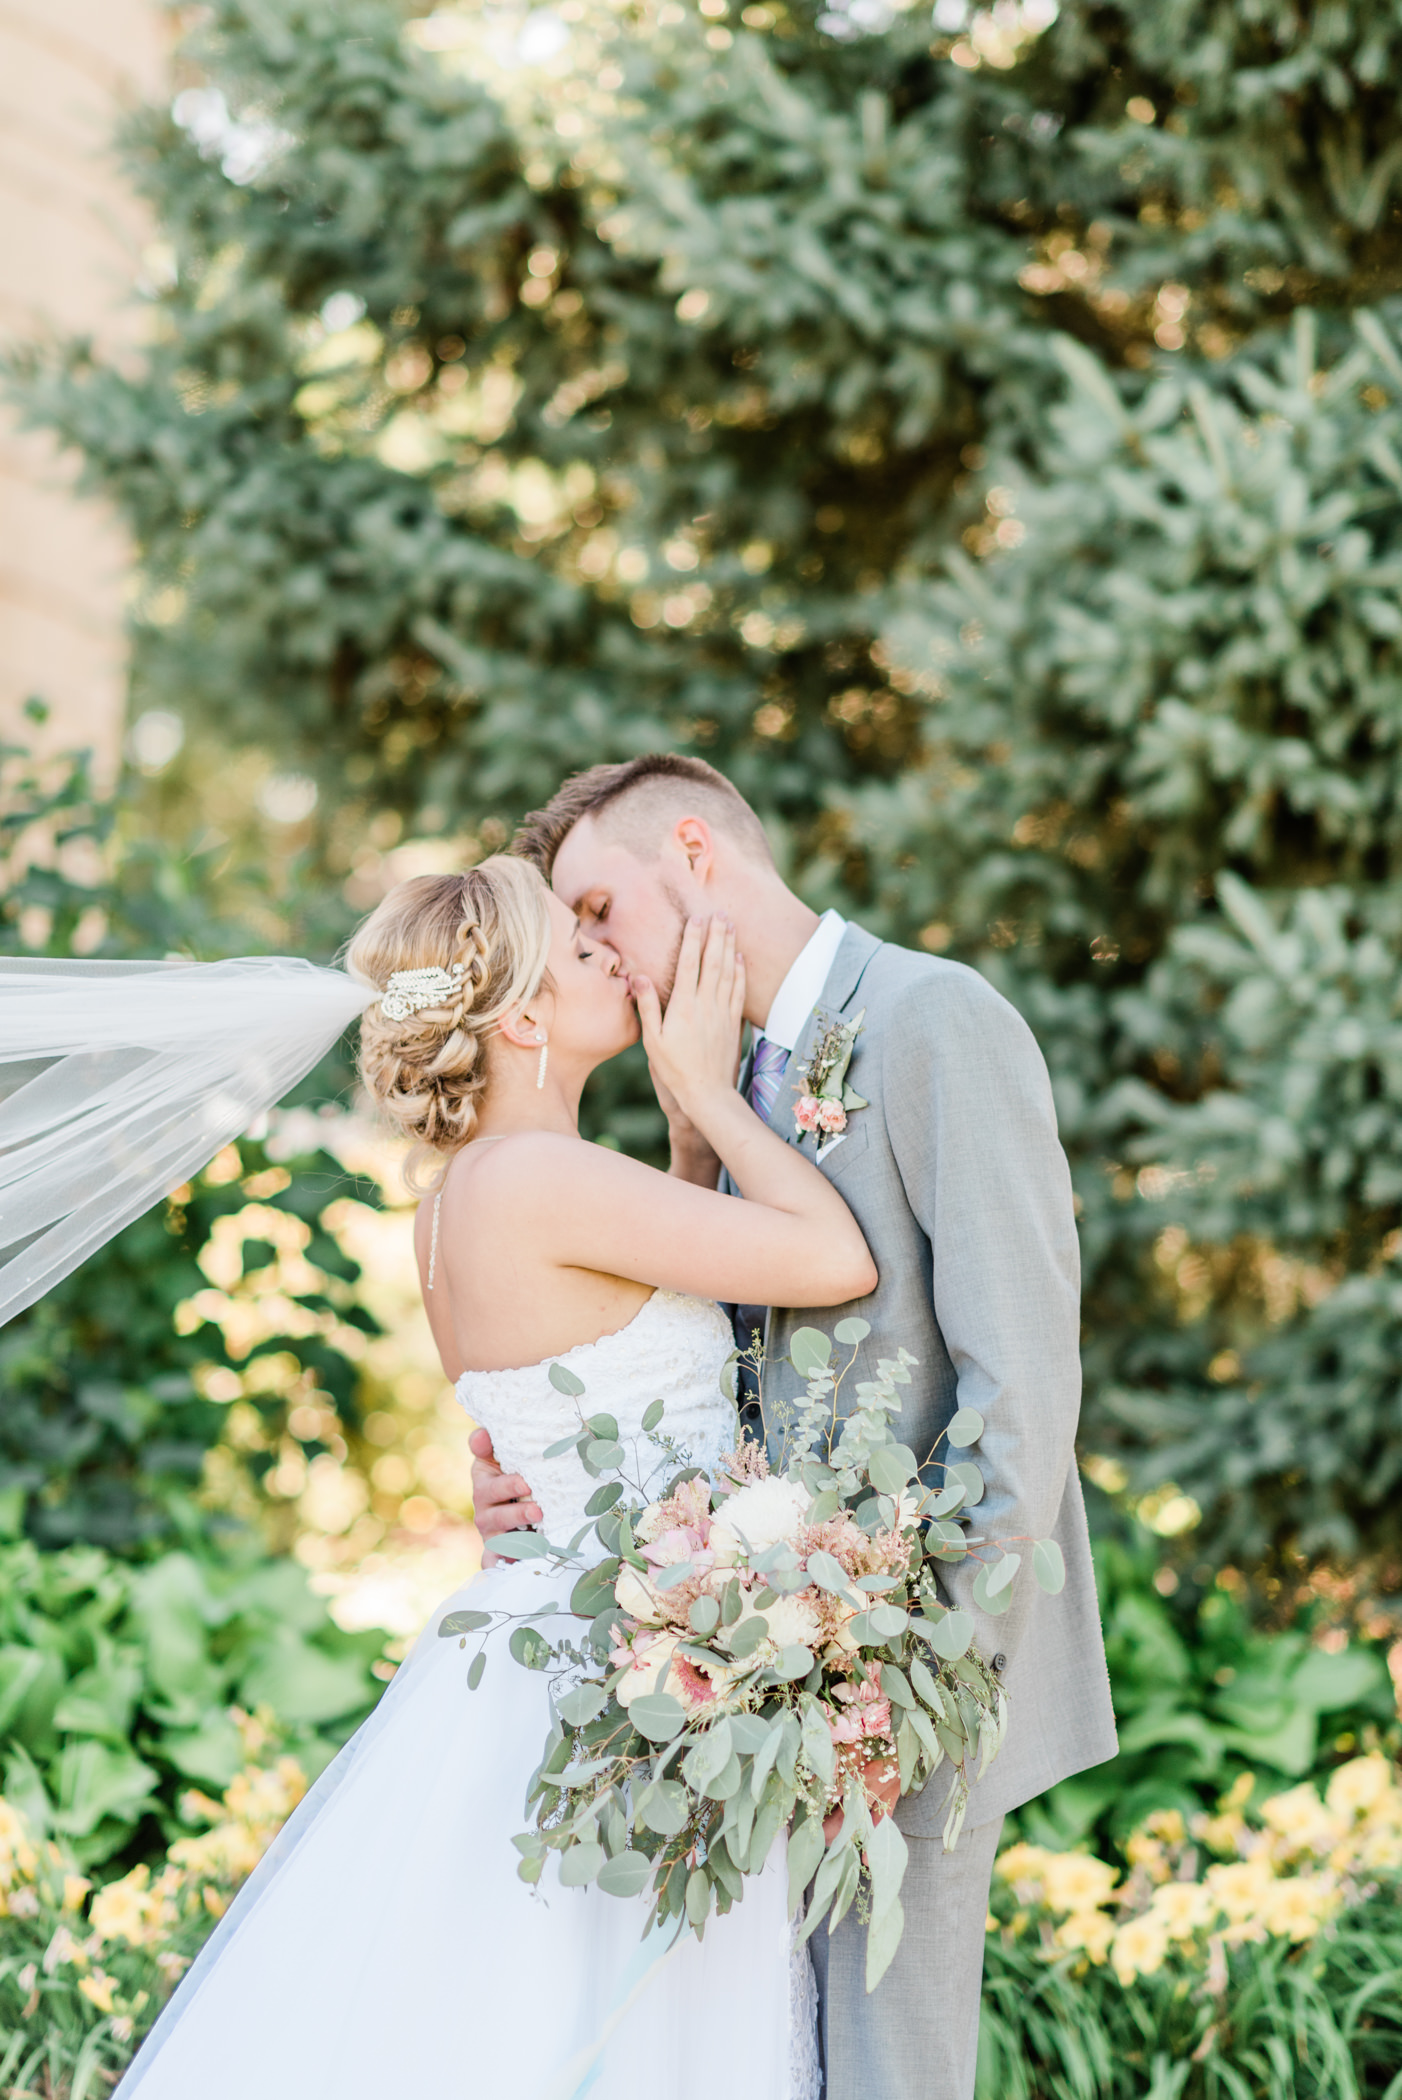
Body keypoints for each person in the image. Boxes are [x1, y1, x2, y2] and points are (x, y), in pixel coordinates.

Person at [8, 854, 875, 2100]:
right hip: (621, 1683)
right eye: (580, 953)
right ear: (521, 1017)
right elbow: (832, 1255)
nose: (612, 958)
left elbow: (636, 1300)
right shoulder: (541, 1179)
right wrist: (702, 1087)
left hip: (556, 1648)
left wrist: (685, 1141)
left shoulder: (462, 1198)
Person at [470, 754, 1119, 2100]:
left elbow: (1023, 1380)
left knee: (885, 2068)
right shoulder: (714, 1076)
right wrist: (534, 1459)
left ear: (695, 853)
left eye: (599, 908)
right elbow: (673, 1342)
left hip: (908, 1669)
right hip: (737, 1675)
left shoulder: (936, 1019)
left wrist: (927, 1674)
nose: (588, 948)